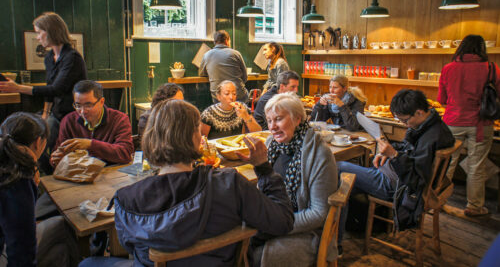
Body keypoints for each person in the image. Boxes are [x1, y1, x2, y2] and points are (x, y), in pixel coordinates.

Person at [79, 99, 294, 267]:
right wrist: (264, 169)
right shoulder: (230, 184)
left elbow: (129, 248)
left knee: (88, 262)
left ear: (149, 138)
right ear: (195, 138)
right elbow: (283, 221)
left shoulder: (127, 200)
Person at [337, 89, 455, 253]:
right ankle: (351, 228)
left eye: (405, 121)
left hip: (398, 187)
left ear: (419, 112)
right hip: (394, 176)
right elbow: (409, 151)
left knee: (340, 169)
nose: (405, 125)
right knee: (346, 183)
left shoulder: (431, 138)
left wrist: (393, 155)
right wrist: (391, 152)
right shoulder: (430, 125)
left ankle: (336, 243)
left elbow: (415, 180)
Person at [250, 92, 338, 266]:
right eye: (269, 120)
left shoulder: (319, 154)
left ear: (298, 119)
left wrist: (276, 225)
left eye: (279, 119)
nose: (272, 126)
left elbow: (319, 214)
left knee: (255, 254)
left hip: (307, 232)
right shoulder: (271, 145)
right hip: (275, 221)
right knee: (236, 245)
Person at [0, 12, 87, 174]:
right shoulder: (50, 57)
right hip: (55, 112)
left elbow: (57, 89)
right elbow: (49, 87)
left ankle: (48, 175)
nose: (38, 37)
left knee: (39, 140)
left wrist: (18, 88)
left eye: (39, 32)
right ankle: (44, 174)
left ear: (51, 30)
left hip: (73, 113)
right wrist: (45, 113)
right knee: (28, 137)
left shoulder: (72, 57)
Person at [0, 112, 78, 267]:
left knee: (59, 251)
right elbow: (21, 245)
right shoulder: (18, 177)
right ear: (38, 142)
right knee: (63, 225)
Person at [438, 35, 500, 217]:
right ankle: (474, 206)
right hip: (481, 123)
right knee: (476, 166)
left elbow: (442, 100)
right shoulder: (491, 68)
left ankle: (438, 200)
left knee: (447, 162)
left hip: (452, 122)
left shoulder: (448, 68)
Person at [50, 80, 134, 167]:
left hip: (111, 174)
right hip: (79, 174)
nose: (82, 111)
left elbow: (126, 153)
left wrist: (90, 144)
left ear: (101, 102)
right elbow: (58, 153)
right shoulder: (68, 121)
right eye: (78, 105)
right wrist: (56, 159)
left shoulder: (119, 119)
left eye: (88, 105)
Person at [199, 30, 249, 103]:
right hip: (238, 95)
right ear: (227, 41)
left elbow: (202, 74)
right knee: (245, 96)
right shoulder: (235, 54)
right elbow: (245, 77)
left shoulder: (207, 55)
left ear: (214, 42)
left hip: (218, 97)